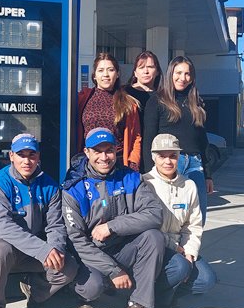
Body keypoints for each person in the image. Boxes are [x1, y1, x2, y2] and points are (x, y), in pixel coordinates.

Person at [63, 127, 164, 308]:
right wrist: (114, 271)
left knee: (153, 237)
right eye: (97, 151)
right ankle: (81, 290)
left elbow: (155, 214)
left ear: (116, 150)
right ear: (87, 152)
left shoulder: (131, 178)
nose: (104, 157)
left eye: (108, 150)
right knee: (92, 288)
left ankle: (137, 304)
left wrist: (112, 226)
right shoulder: (74, 188)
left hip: (123, 249)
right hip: (91, 256)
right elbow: (77, 241)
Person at [0, 134, 78, 308]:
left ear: (38, 156)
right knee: (0, 250)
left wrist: (55, 249)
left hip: (34, 248)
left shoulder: (49, 185)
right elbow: (2, 226)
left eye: (31, 155)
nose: (27, 161)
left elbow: (55, 225)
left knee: (68, 266)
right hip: (2, 244)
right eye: (21, 155)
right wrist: (43, 250)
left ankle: (36, 294)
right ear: (11, 156)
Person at [143, 134, 216, 308]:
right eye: (162, 156)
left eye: (173, 156)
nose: (168, 161)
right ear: (153, 157)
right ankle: (158, 300)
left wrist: (190, 251)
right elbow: (145, 226)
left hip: (181, 248)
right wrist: (174, 248)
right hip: (155, 247)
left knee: (206, 280)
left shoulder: (189, 186)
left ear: (179, 157)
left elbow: (193, 225)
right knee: (180, 268)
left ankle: (168, 292)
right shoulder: (144, 184)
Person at [142, 56, 214, 223]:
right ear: (170, 74)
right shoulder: (157, 100)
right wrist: (149, 174)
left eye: (187, 74)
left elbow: (202, 140)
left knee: (198, 217)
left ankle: (190, 242)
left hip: (195, 164)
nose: (183, 78)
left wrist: (208, 175)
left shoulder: (196, 103)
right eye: (178, 73)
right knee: (170, 217)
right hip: (170, 162)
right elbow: (148, 139)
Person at [76, 52, 142, 172]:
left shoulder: (128, 103)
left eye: (110, 70)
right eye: (101, 70)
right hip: (88, 165)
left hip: (117, 164)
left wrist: (133, 164)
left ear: (117, 74)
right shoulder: (82, 98)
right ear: (94, 75)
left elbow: (136, 138)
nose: (105, 74)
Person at [125, 51, 163, 172]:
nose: (146, 71)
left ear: (157, 71)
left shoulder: (163, 97)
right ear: (135, 72)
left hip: (155, 152)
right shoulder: (124, 94)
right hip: (129, 151)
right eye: (141, 67)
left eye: (150, 67)